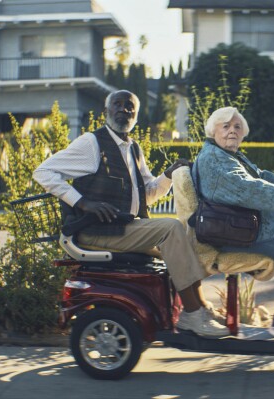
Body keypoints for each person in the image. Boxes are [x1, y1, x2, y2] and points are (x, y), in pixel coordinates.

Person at [33, 90, 228, 337]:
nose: (124, 110)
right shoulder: (91, 143)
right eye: (118, 104)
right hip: (97, 231)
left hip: (122, 228)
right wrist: (82, 203)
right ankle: (192, 315)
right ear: (106, 111)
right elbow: (43, 172)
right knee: (171, 229)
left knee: (186, 239)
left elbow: (146, 194)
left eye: (130, 107)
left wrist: (168, 175)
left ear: (136, 115)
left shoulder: (133, 148)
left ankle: (199, 308)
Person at [193, 106, 274, 343]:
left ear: (243, 134)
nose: (232, 131)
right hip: (235, 234)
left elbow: (259, 175)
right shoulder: (213, 159)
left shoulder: (228, 155)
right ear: (213, 131)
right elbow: (245, 188)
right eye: (226, 126)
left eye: (237, 127)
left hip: (246, 229)